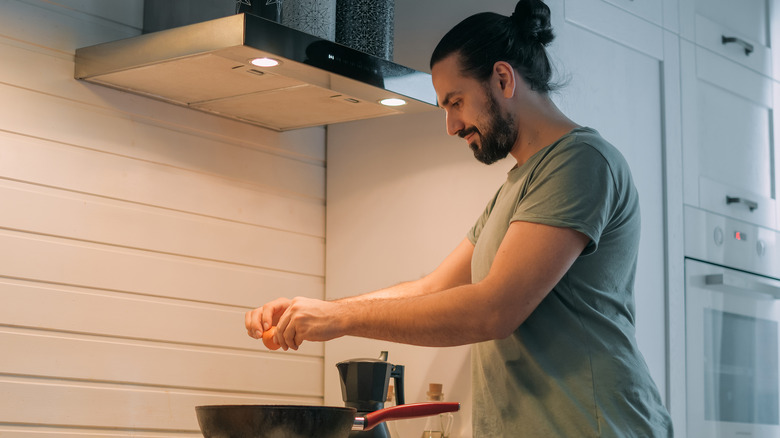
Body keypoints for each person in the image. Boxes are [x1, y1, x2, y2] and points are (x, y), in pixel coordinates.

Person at [245, 0, 674, 435]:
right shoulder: (518, 185)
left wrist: (341, 320)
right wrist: (319, 310)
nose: (451, 125)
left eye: (456, 102)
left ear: (503, 79)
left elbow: (494, 309)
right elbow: (432, 287)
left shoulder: (581, 162)